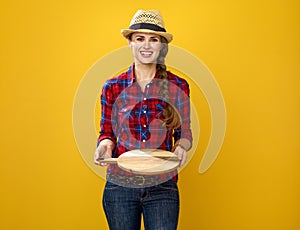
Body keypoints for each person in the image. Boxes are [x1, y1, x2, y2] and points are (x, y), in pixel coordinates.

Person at [94, 9, 192, 230]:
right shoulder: (112, 87)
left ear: (161, 46)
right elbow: (107, 132)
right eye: (140, 39)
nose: (146, 45)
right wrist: (104, 146)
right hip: (120, 185)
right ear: (130, 42)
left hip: (162, 186)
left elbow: (185, 134)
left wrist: (181, 147)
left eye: (153, 39)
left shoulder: (179, 86)